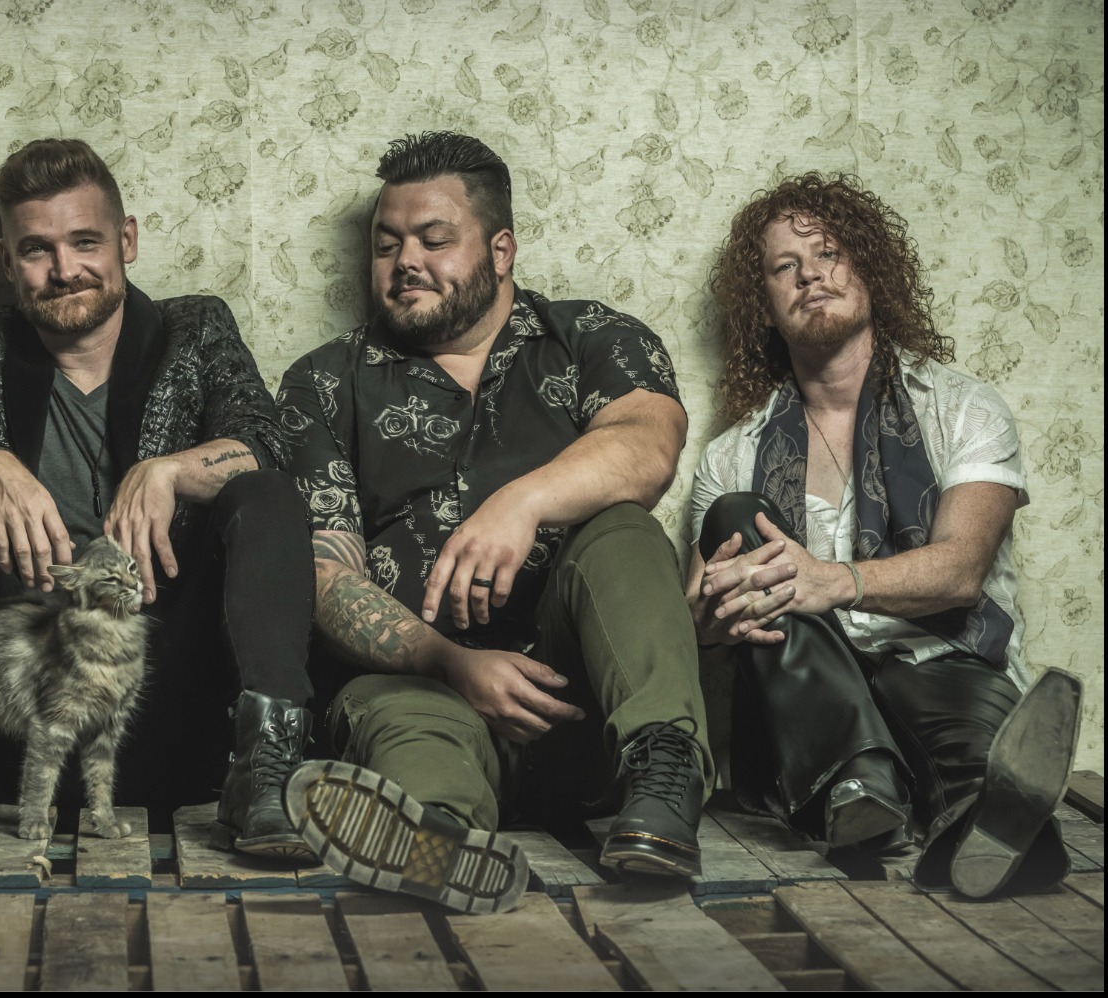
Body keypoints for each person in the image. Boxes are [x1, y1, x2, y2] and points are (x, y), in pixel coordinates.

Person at [0, 138, 318, 861]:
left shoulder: (194, 330)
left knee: (264, 493)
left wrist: (167, 471)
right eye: (37, 249)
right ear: (7, 262)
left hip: (166, 687)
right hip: (22, 701)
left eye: (85, 241)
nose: (65, 269)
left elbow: (266, 441)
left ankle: (266, 773)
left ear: (126, 240)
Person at [276, 131, 710, 914]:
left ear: (501, 249)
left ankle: (663, 775)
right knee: (403, 722)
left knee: (624, 534)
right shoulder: (324, 381)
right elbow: (320, 571)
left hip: (585, 701)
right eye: (386, 244)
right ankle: (438, 844)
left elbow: (649, 446)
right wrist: (447, 661)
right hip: (426, 690)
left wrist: (522, 502)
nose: (405, 260)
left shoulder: (590, 338)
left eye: (434, 239)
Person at [688, 172, 1079, 898]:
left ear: (868, 268)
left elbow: (962, 571)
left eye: (829, 252)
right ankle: (858, 781)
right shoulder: (732, 454)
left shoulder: (963, 408)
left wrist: (833, 581)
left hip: (945, 664)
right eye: (784, 266)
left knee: (962, 741)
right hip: (804, 697)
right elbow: (702, 612)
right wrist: (710, 617)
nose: (810, 272)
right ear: (763, 307)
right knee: (734, 517)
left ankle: (988, 818)